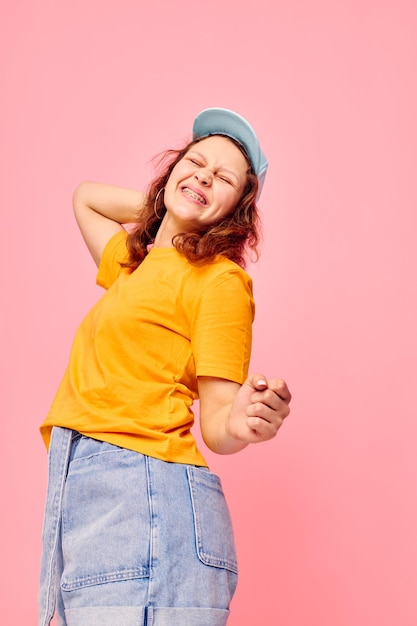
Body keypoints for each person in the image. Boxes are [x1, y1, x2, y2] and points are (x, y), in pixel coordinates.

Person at [38, 107, 291, 626]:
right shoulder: (133, 266)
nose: (203, 174)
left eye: (223, 178)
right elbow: (84, 196)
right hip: (90, 493)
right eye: (196, 162)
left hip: (145, 496)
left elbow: (219, 424)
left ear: (237, 212)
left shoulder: (218, 281)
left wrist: (242, 420)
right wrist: (164, 212)